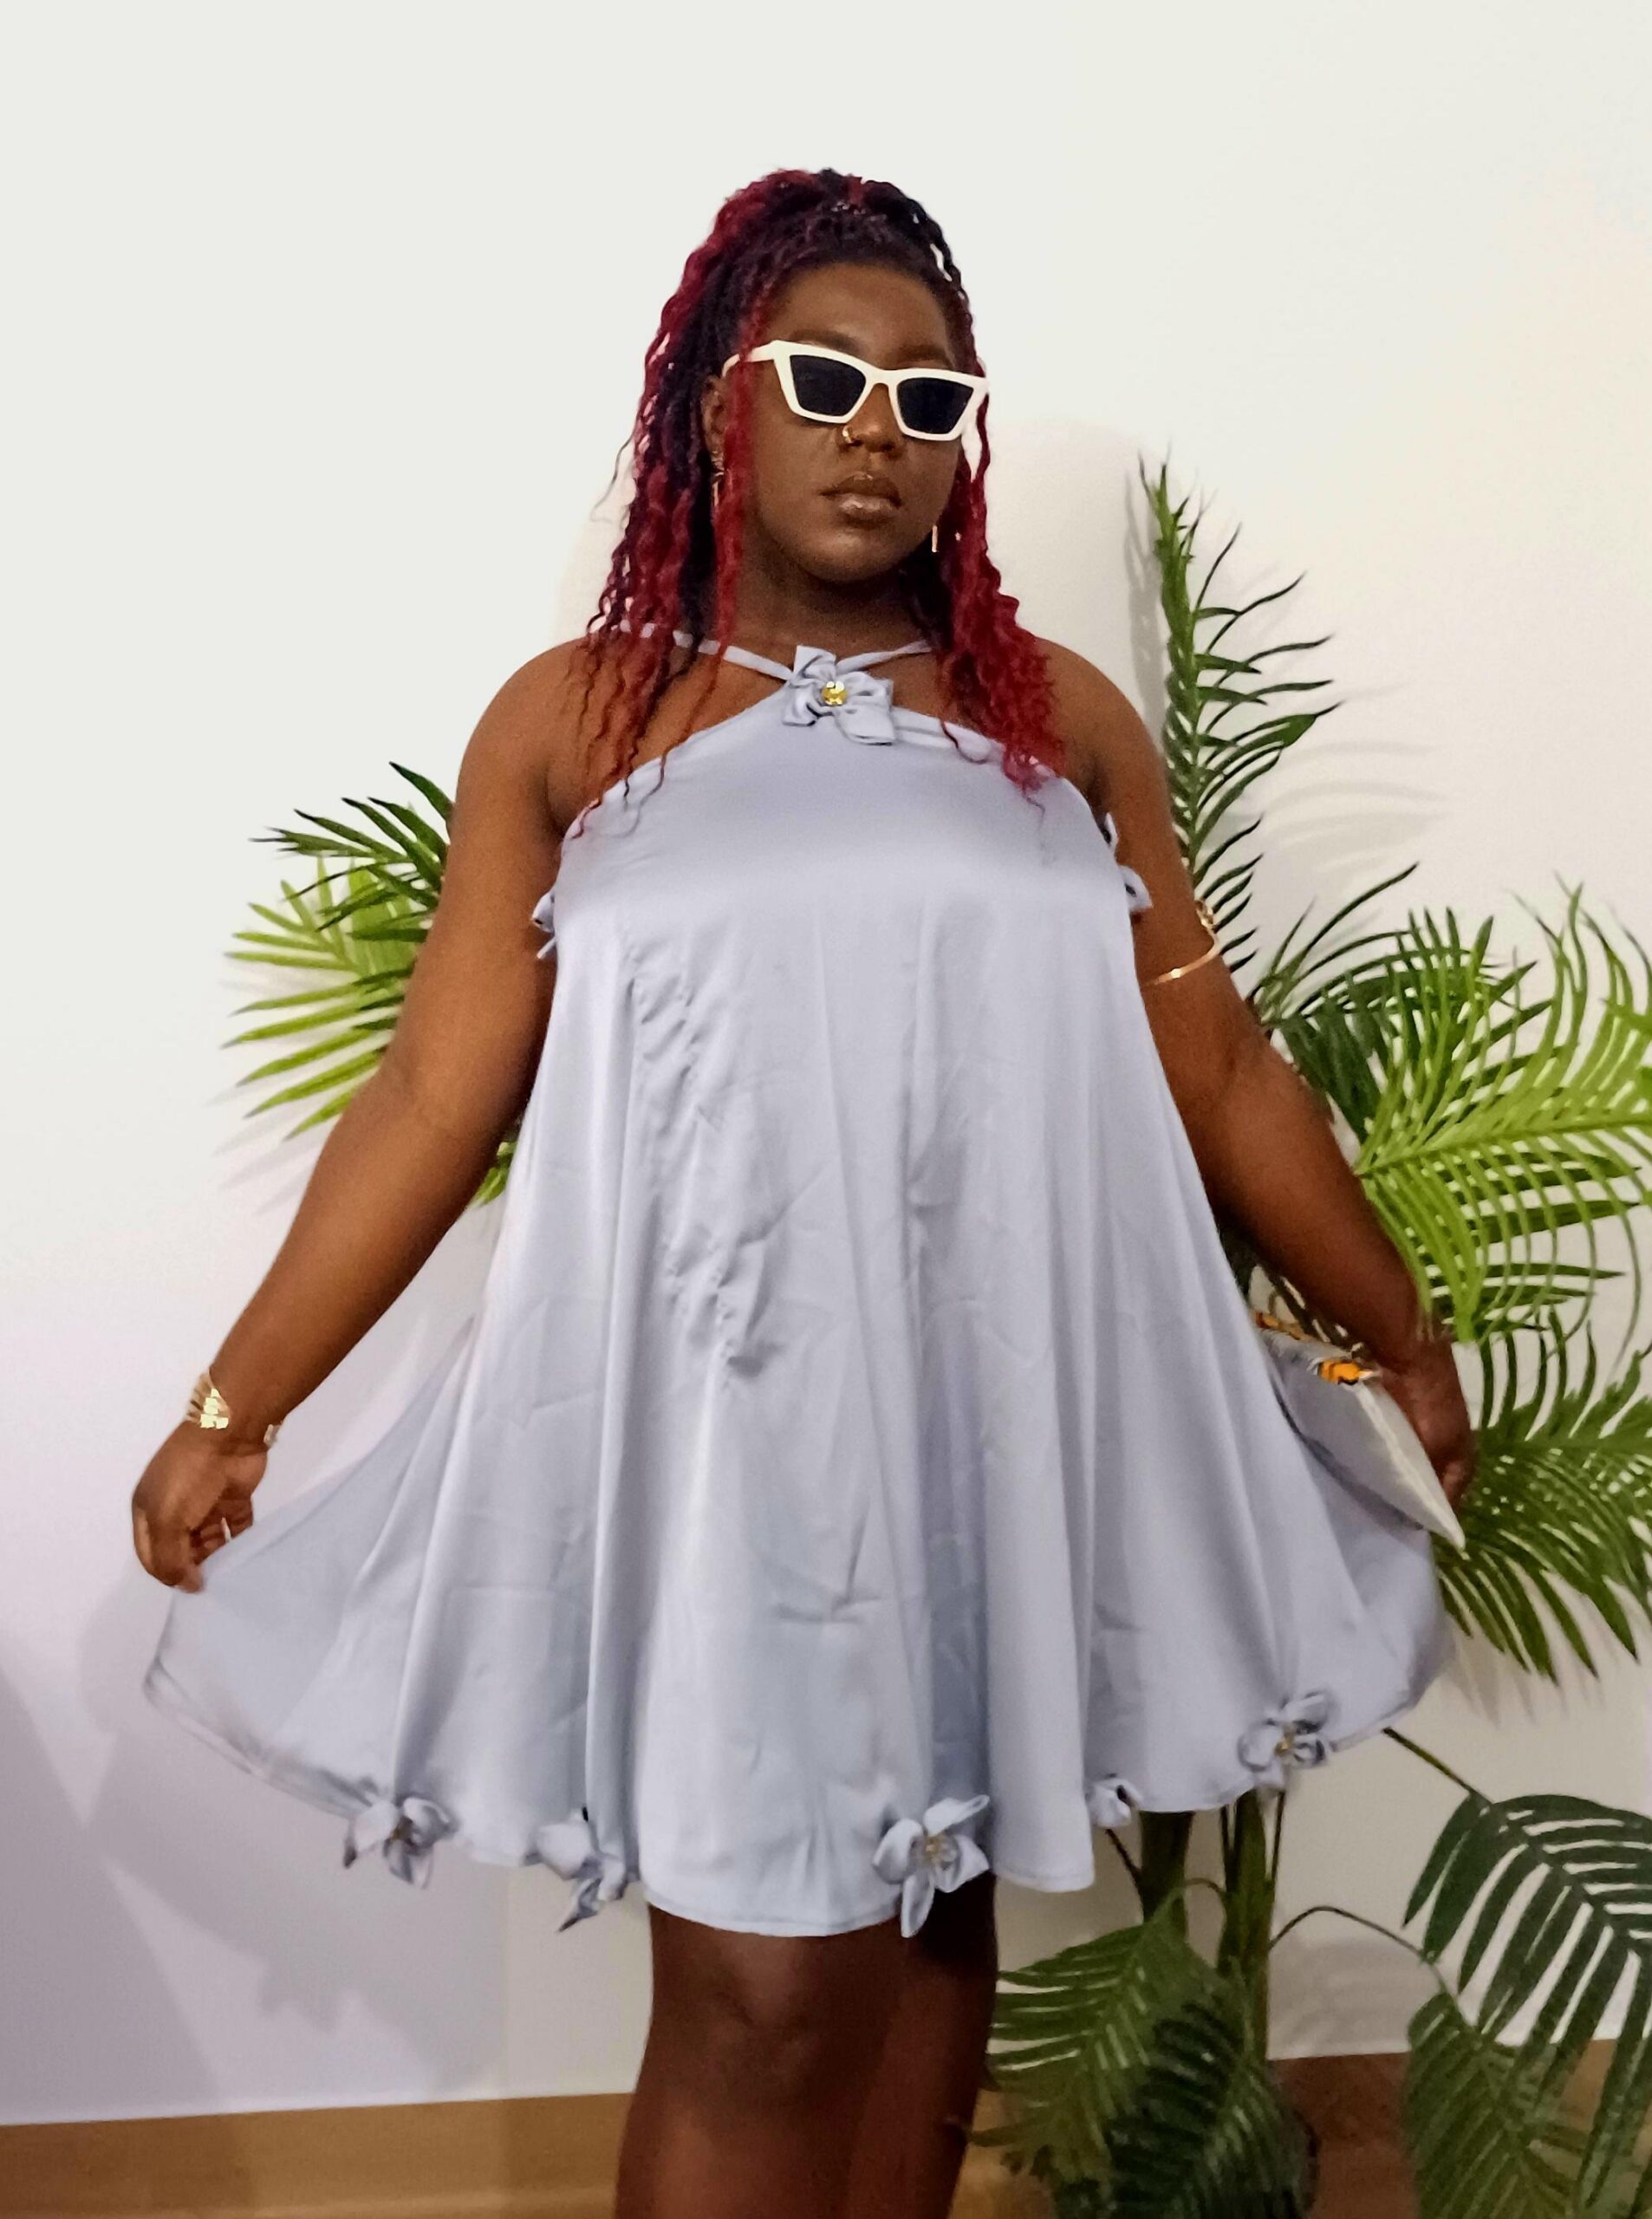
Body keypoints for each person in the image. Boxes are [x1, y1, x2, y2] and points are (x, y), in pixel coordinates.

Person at [132, 167, 1477, 2219]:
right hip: (720, 1448)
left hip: (988, 1420)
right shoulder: (580, 719)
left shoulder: (1057, 728)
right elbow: (428, 1095)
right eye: (826, 378)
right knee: (761, 1994)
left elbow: (1210, 1063)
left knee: (932, 1911)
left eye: (928, 398)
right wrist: (240, 1403)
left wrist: (1397, 1329)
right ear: (717, 406)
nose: (876, 430)